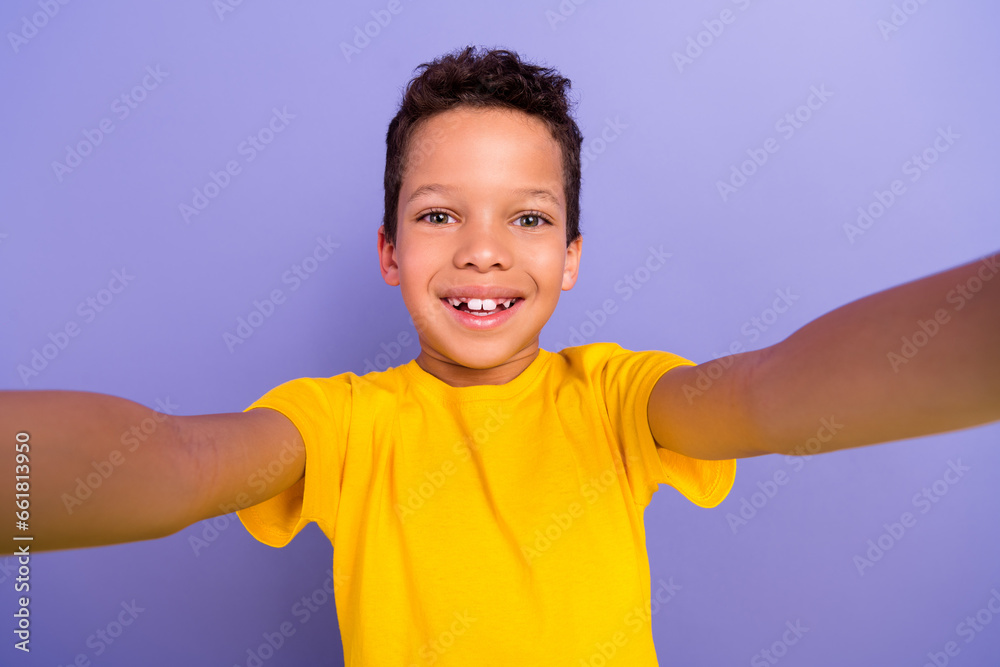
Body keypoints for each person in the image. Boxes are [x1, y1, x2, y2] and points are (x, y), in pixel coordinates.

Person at [4, 45, 998, 665]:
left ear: (569, 259)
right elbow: (175, 459)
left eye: (526, 217)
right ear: (390, 253)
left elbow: (772, 393)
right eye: (440, 215)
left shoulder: (614, 398)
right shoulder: (346, 424)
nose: (482, 248)